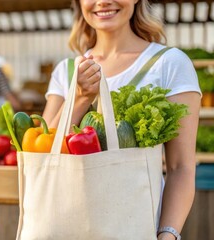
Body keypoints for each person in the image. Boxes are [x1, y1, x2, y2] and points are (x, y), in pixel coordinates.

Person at [42, 1, 200, 240]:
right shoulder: (66, 71)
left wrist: (167, 234)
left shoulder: (169, 64)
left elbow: (181, 168)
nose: (103, 1)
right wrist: (80, 97)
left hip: (137, 230)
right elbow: (43, 156)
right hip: (67, 230)